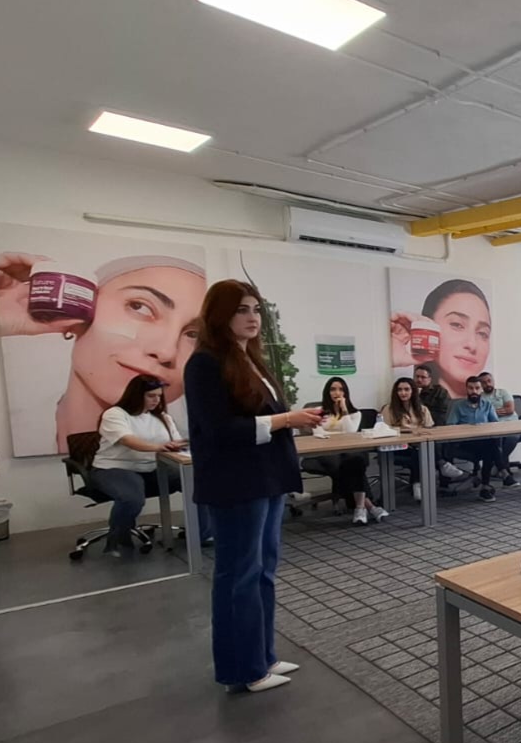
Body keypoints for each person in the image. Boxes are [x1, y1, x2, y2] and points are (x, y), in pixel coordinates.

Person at [184, 279, 323, 694]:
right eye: (242, 310)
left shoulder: (251, 360)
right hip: (236, 482)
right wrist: (286, 420)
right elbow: (221, 430)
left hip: (266, 478)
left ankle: (262, 656)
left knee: (263, 571)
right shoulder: (204, 363)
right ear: (219, 315)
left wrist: (290, 420)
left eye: (256, 310)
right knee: (238, 576)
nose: (252, 318)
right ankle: (241, 670)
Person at [0, 251, 207, 456]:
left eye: (194, 335)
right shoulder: (11, 426)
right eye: (139, 306)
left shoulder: (197, 442)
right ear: (81, 313)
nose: (166, 352)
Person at [91, 374, 187, 555]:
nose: (156, 400)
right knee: (131, 498)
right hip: (115, 469)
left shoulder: (163, 417)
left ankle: (202, 534)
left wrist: (186, 442)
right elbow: (128, 440)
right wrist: (158, 447)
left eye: (159, 396)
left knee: (197, 482)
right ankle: (117, 540)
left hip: (152, 468)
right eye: (151, 396)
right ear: (136, 395)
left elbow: (175, 442)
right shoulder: (115, 414)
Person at [391, 279, 491, 399]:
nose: (472, 345)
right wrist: (390, 356)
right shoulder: (414, 400)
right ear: (430, 329)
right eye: (457, 325)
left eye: (482, 333)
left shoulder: (490, 403)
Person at [308, 377, 388, 526]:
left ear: (346, 393)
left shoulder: (354, 413)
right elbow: (318, 433)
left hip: (348, 451)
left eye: (341, 389)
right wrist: (338, 435)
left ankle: (360, 508)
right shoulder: (320, 412)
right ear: (327, 392)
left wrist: (344, 410)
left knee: (355, 461)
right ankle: (369, 506)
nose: (337, 393)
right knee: (349, 466)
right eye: (333, 389)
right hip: (325, 451)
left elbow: (350, 432)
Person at [447, 376, 505, 502]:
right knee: (491, 447)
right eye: (471, 388)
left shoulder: (487, 405)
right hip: (464, 443)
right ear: (466, 389)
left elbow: (495, 424)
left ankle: (485, 486)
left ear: (481, 390)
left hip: (483, 443)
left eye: (477, 388)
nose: (474, 391)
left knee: (490, 447)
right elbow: (450, 427)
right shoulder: (458, 406)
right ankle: (502, 473)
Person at [381, 377, 433, 502]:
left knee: (425, 448)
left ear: (413, 391)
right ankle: (418, 483)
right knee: (419, 452)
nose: (403, 393)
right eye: (399, 390)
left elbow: (430, 430)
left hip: (418, 444)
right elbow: (385, 431)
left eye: (406, 389)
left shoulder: (422, 409)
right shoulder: (388, 409)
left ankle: (417, 483)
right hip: (397, 447)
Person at [414, 364, 464, 481]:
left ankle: (440, 477)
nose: (419, 380)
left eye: (423, 377)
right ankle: (442, 465)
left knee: (435, 440)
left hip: (435, 427)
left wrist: (424, 415)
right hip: (413, 429)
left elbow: (442, 414)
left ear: (430, 379)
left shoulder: (439, 391)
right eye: (417, 377)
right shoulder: (410, 392)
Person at [478, 371, 521, 486]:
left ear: (493, 381)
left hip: (511, 424)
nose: (487, 384)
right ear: (481, 385)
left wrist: (492, 411)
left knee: (513, 438)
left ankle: (496, 465)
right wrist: (497, 411)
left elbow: (510, 409)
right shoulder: (480, 397)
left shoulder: (503, 392)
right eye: (484, 382)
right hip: (492, 426)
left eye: (489, 381)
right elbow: (482, 415)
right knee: (495, 441)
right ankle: (502, 468)